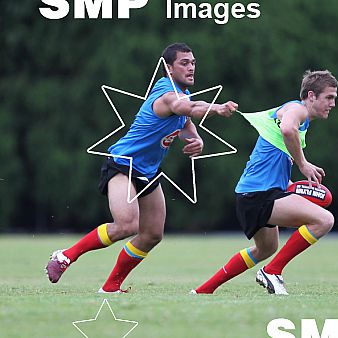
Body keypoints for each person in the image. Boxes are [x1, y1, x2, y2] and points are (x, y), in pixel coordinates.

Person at [46, 42, 238, 293]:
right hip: (123, 163)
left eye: (193, 63)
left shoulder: (181, 94)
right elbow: (186, 108)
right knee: (126, 225)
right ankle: (65, 256)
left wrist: (196, 138)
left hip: (146, 172)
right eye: (184, 63)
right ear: (168, 68)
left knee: (152, 234)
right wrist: (218, 108)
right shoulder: (168, 94)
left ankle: (110, 287)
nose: (191, 68)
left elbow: (185, 117)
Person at [192, 70, 338, 295]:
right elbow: (287, 129)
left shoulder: (300, 118)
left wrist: (291, 185)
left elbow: (273, 159)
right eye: (329, 97)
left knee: (266, 248)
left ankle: (203, 290)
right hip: (258, 195)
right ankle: (272, 272)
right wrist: (304, 164)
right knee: (324, 220)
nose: (333, 103)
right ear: (311, 95)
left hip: (253, 194)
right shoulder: (296, 110)